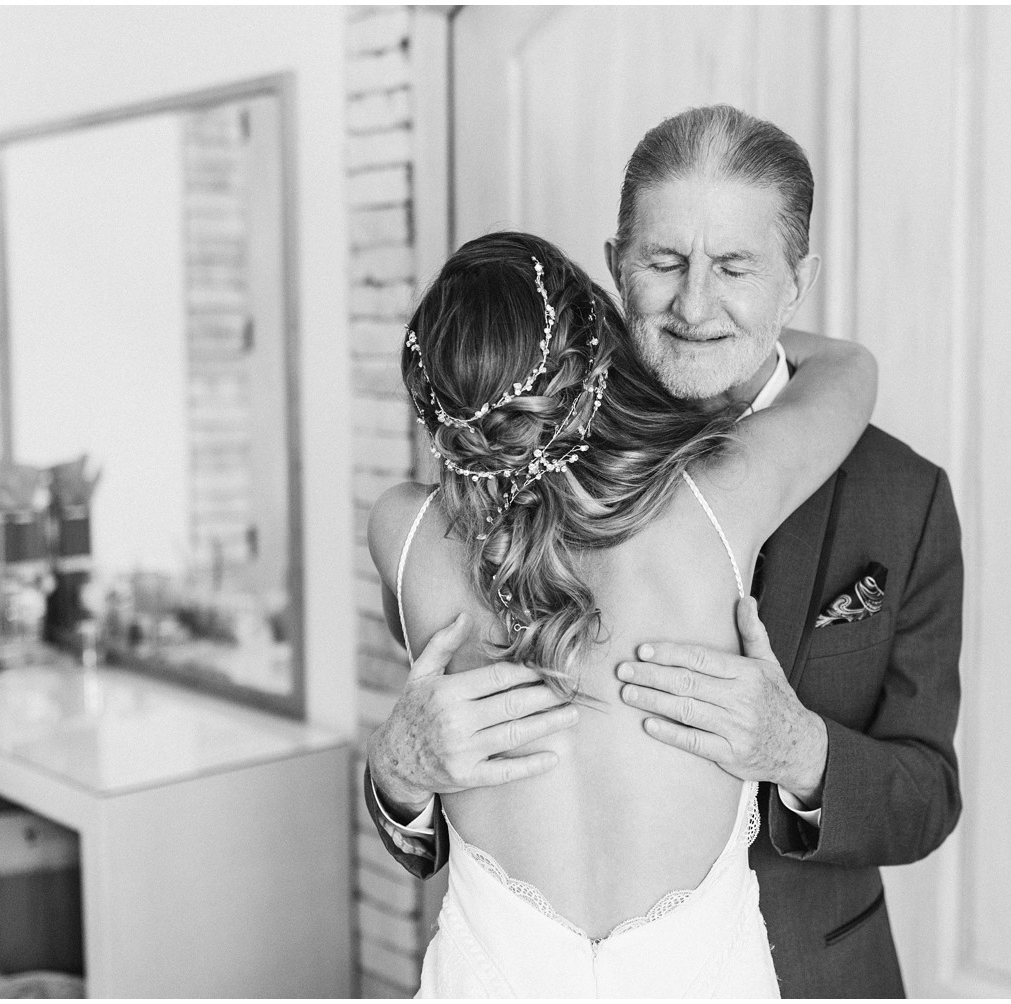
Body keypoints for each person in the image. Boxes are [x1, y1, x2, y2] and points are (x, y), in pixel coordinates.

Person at [366, 105, 963, 998]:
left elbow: (927, 797)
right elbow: (454, 794)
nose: (692, 305)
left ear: (795, 283)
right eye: (665, 262)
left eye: (733, 268)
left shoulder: (903, 497)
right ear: (613, 271)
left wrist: (798, 751)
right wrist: (398, 774)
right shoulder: (492, 492)